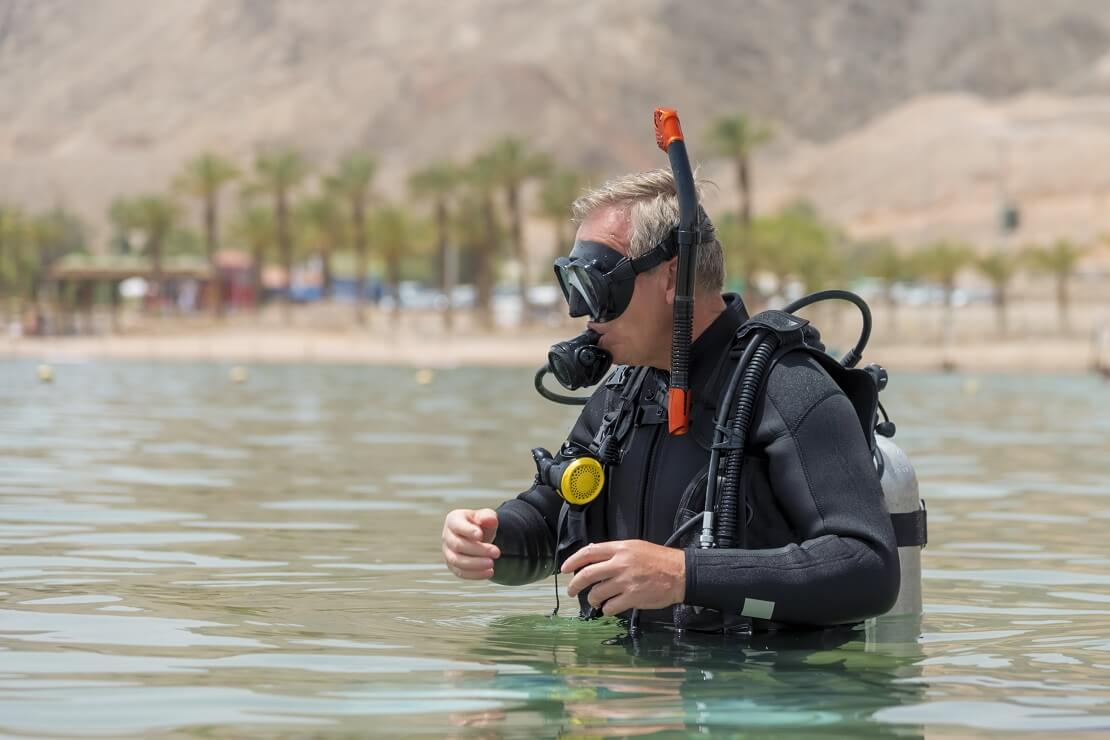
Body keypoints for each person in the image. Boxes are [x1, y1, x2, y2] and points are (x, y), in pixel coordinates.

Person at [441, 169, 900, 631]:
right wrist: (492, 538)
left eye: (597, 286)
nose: (579, 311)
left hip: (759, 693)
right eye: (573, 286)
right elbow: (552, 519)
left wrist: (685, 576)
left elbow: (869, 570)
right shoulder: (623, 394)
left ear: (671, 278)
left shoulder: (789, 388)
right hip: (630, 691)